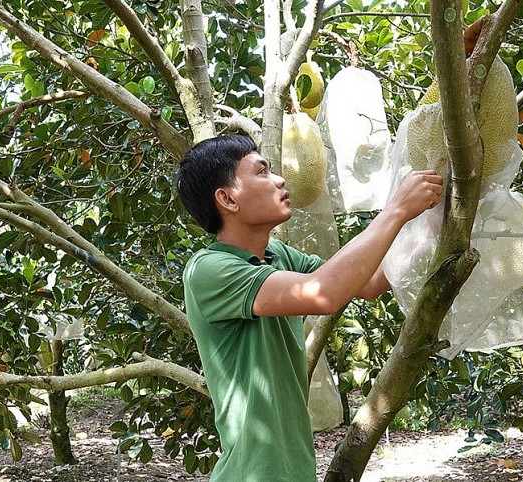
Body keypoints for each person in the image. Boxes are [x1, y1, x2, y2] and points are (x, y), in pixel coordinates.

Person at [176, 135, 443, 481]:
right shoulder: (209, 270)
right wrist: (396, 210)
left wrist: (435, 219)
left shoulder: (279, 257)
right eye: (261, 172)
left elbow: (370, 282)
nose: (279, 180)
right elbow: (325, 293)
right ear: (227, 199)